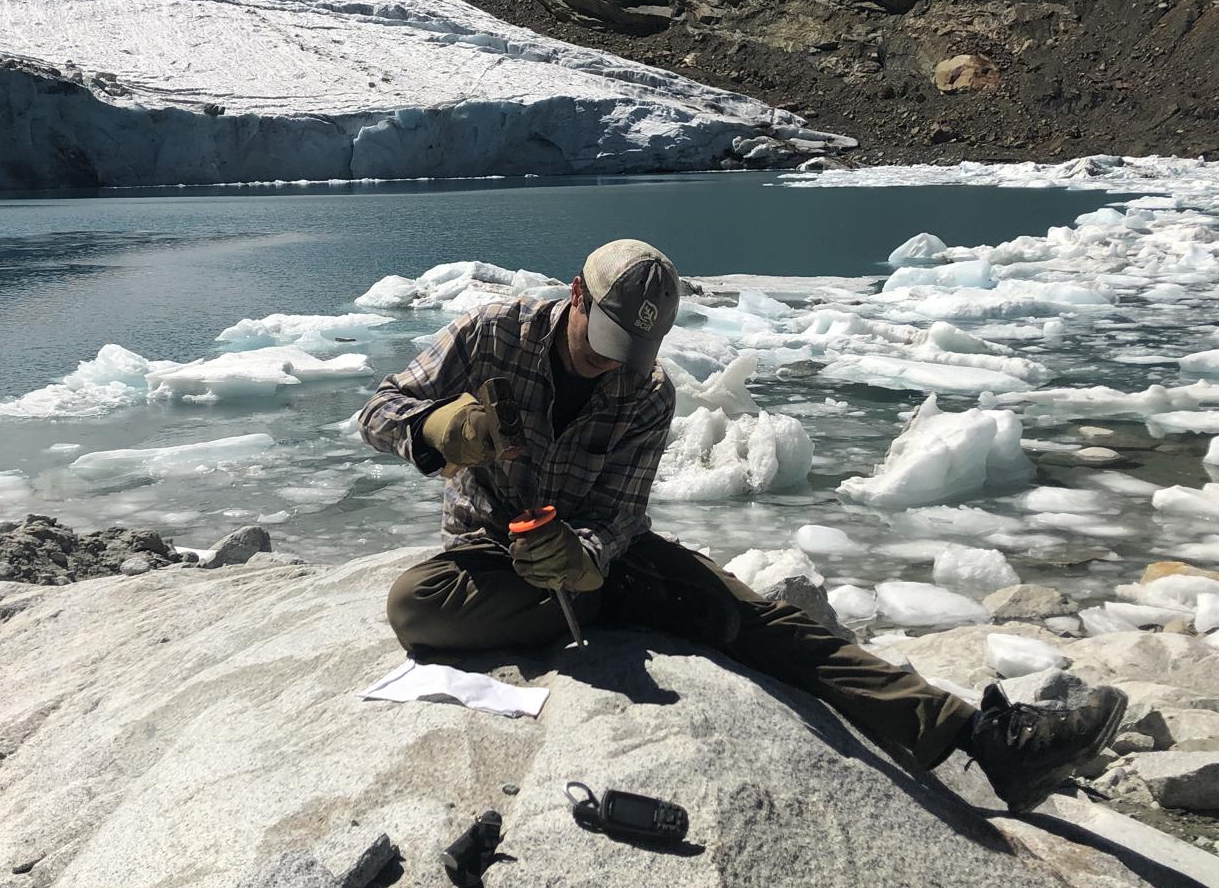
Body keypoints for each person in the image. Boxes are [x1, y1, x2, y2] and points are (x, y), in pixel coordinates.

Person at [357, 237, 1126, 814]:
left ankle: (986, 741)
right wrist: (437, 432)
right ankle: (615, 607)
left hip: (600, 559)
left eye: (632, 351)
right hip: (491, 557)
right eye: (604, 341)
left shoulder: (643, 389)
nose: (612, 364)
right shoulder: (493, 332)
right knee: (412, 609)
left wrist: (586, 562)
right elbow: (378, 410)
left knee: (763, 623)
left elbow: (619, 514)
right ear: (575, 296)